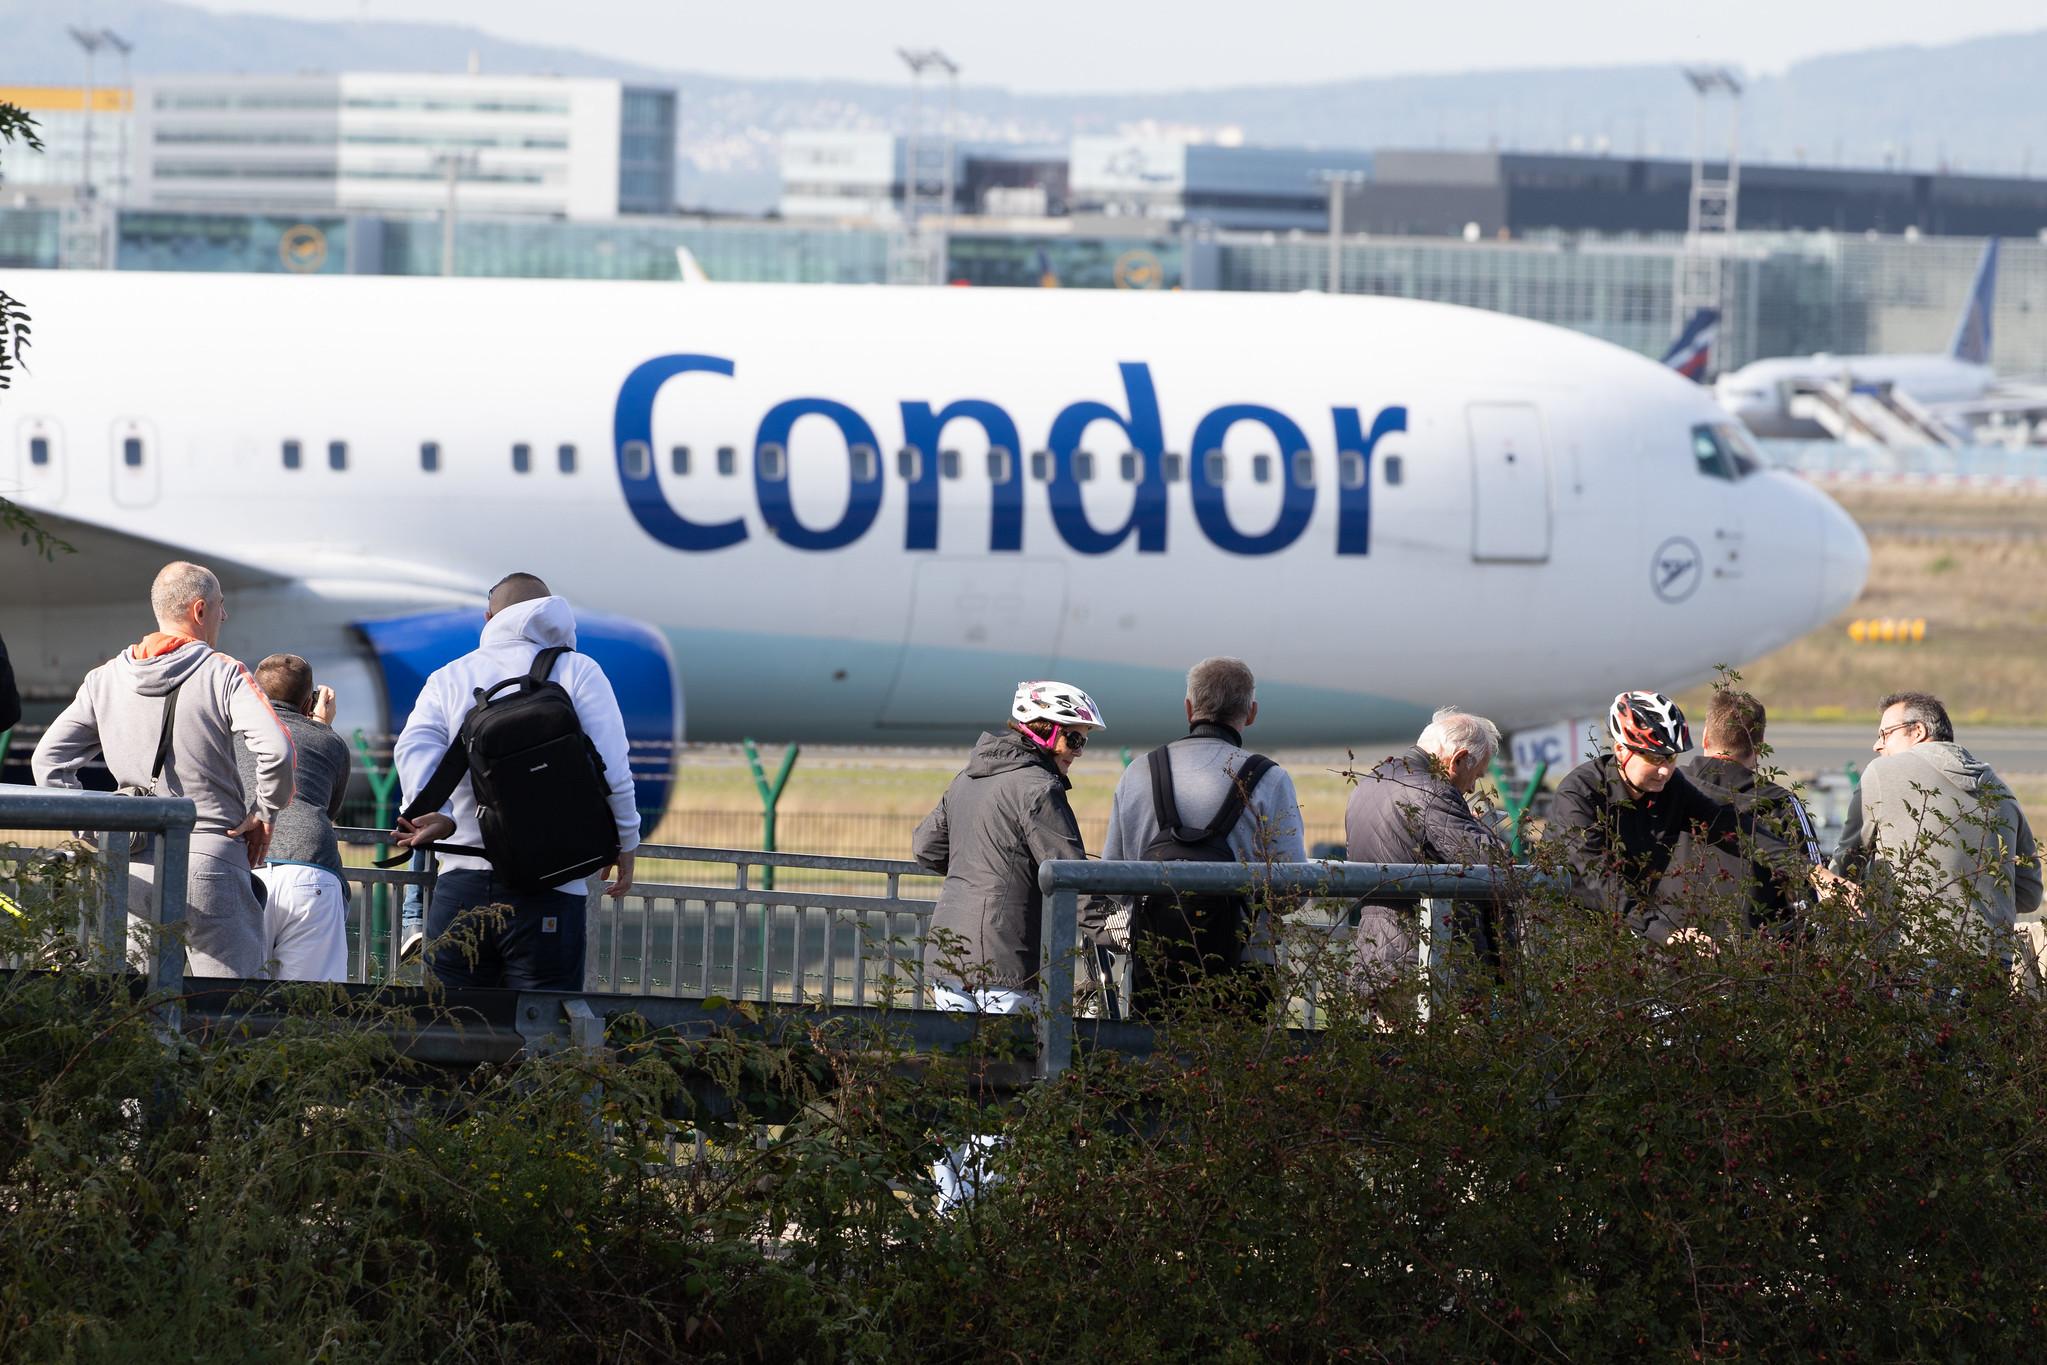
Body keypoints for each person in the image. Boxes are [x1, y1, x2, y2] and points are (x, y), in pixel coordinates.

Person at [32, 561, 294, 977]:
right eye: (222, 607)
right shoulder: (224, 673)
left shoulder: (104, 679)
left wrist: (94, 830)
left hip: (132, 866)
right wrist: (265, 811)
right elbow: (278, 751)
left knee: (137, 1011)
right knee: (227, 1015)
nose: (224, 617)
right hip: (210, 858)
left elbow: (48, 760)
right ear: (200, 610)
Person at [390, 573, 639, 991]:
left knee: (451, 1031)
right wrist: (626, 842)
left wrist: (439, 813)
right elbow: (613, 767)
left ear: (489, 618)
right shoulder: (578, 671)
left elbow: (413, 747)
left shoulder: (449, 676)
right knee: (541, 1034)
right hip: (552, 885)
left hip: (462, 881)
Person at [912, 679, 1100, 1211]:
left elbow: (925, 849)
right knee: (1002, 1091)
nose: (1078, 754)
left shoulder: (967, 778)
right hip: (1010, 957)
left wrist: (979, 867)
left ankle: (950, 1213)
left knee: (956, 1087)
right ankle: (982, 1225)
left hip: (947, 957)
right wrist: (1112, 927)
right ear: (1047, 734)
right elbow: (1068, 875)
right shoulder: (1038, 789)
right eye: (1076, 741)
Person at [1094, 657, 1305, 1015]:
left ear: (1189, 708)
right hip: (1245, 965)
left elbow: (1113, 881)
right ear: (1251, 713)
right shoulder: (1271, 779)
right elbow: (1292, 892)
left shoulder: (1139, 773)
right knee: (1239, 1066)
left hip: (1156, 963)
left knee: (1152, 1062)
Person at [1547, 690, 1812, 949]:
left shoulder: (1672, 786)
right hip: (1567, 932)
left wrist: (1813, 873)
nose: (1664, 770)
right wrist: (1665, 933)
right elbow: (1600, 879)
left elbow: (1730, 826)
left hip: (1628, 928)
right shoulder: (1579, 794)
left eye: (1671, 757)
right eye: (1653, 757)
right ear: (1620, 750)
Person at [1830, 691, 2040, 961]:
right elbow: (2029, 895)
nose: (1877, 745)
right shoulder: (2002, 791)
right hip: (1991, 963)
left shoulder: (1881, 774)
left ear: (1917, 731)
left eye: (1885, 734)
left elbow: (1846, 867)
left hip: (1911, 953)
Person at [1344, 707, 1510, 984]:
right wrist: (1480, 827)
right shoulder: (1433, 791)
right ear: (1458, 760)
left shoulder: (1370, 781)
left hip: (1375, 950)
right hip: (1424, 959)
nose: (1470, 789)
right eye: (1477, 776)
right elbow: (1491, 861)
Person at [1666, 689, 1822, 940]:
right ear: (1759, 747)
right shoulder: (1781, 803)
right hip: (1758, 960)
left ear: (1705, 737)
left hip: (1674, 950)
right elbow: (1814, 892)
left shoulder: (1666, 788)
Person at [235, 654, 351, 982]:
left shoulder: (233, 732)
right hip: (311, 869)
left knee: (234, 1000)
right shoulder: (329, 741)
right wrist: (320, 727)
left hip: (244, 867)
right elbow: (330, 808)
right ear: (309, 699)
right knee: (310, 1006)